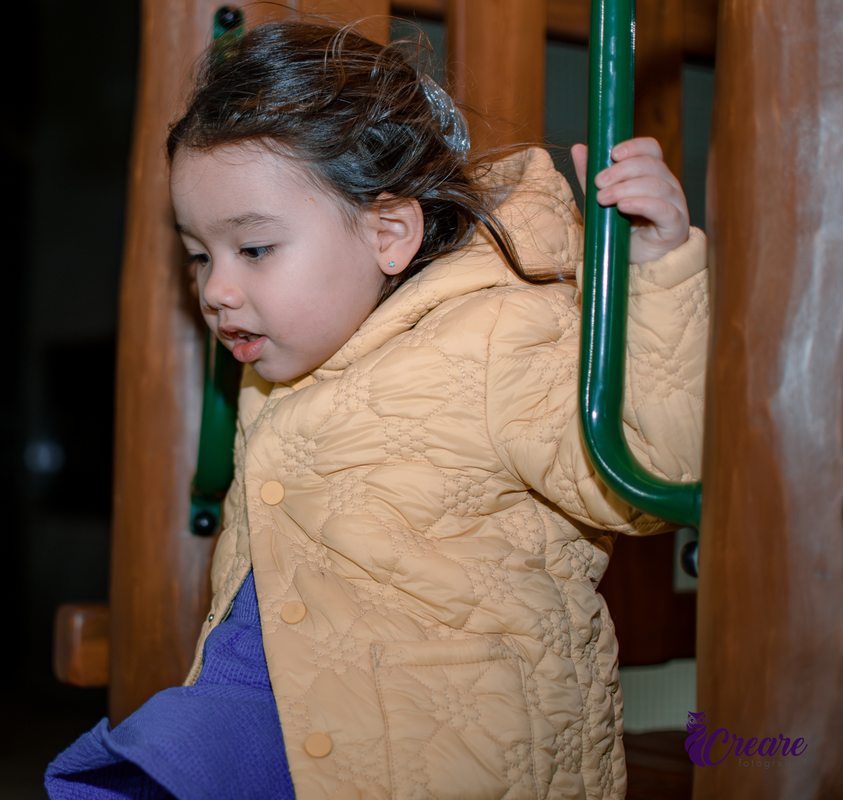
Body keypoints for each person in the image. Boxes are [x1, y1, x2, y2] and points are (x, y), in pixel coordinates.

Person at [47, 19, 705, 800]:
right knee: (141, 762)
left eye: (253, 249)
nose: (218, 289)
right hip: (273, 712)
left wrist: (659, 271)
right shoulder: (284, 361)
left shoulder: (499, 335)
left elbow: (651, 475)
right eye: (200, 256)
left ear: (389, 232)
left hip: (440, 747)